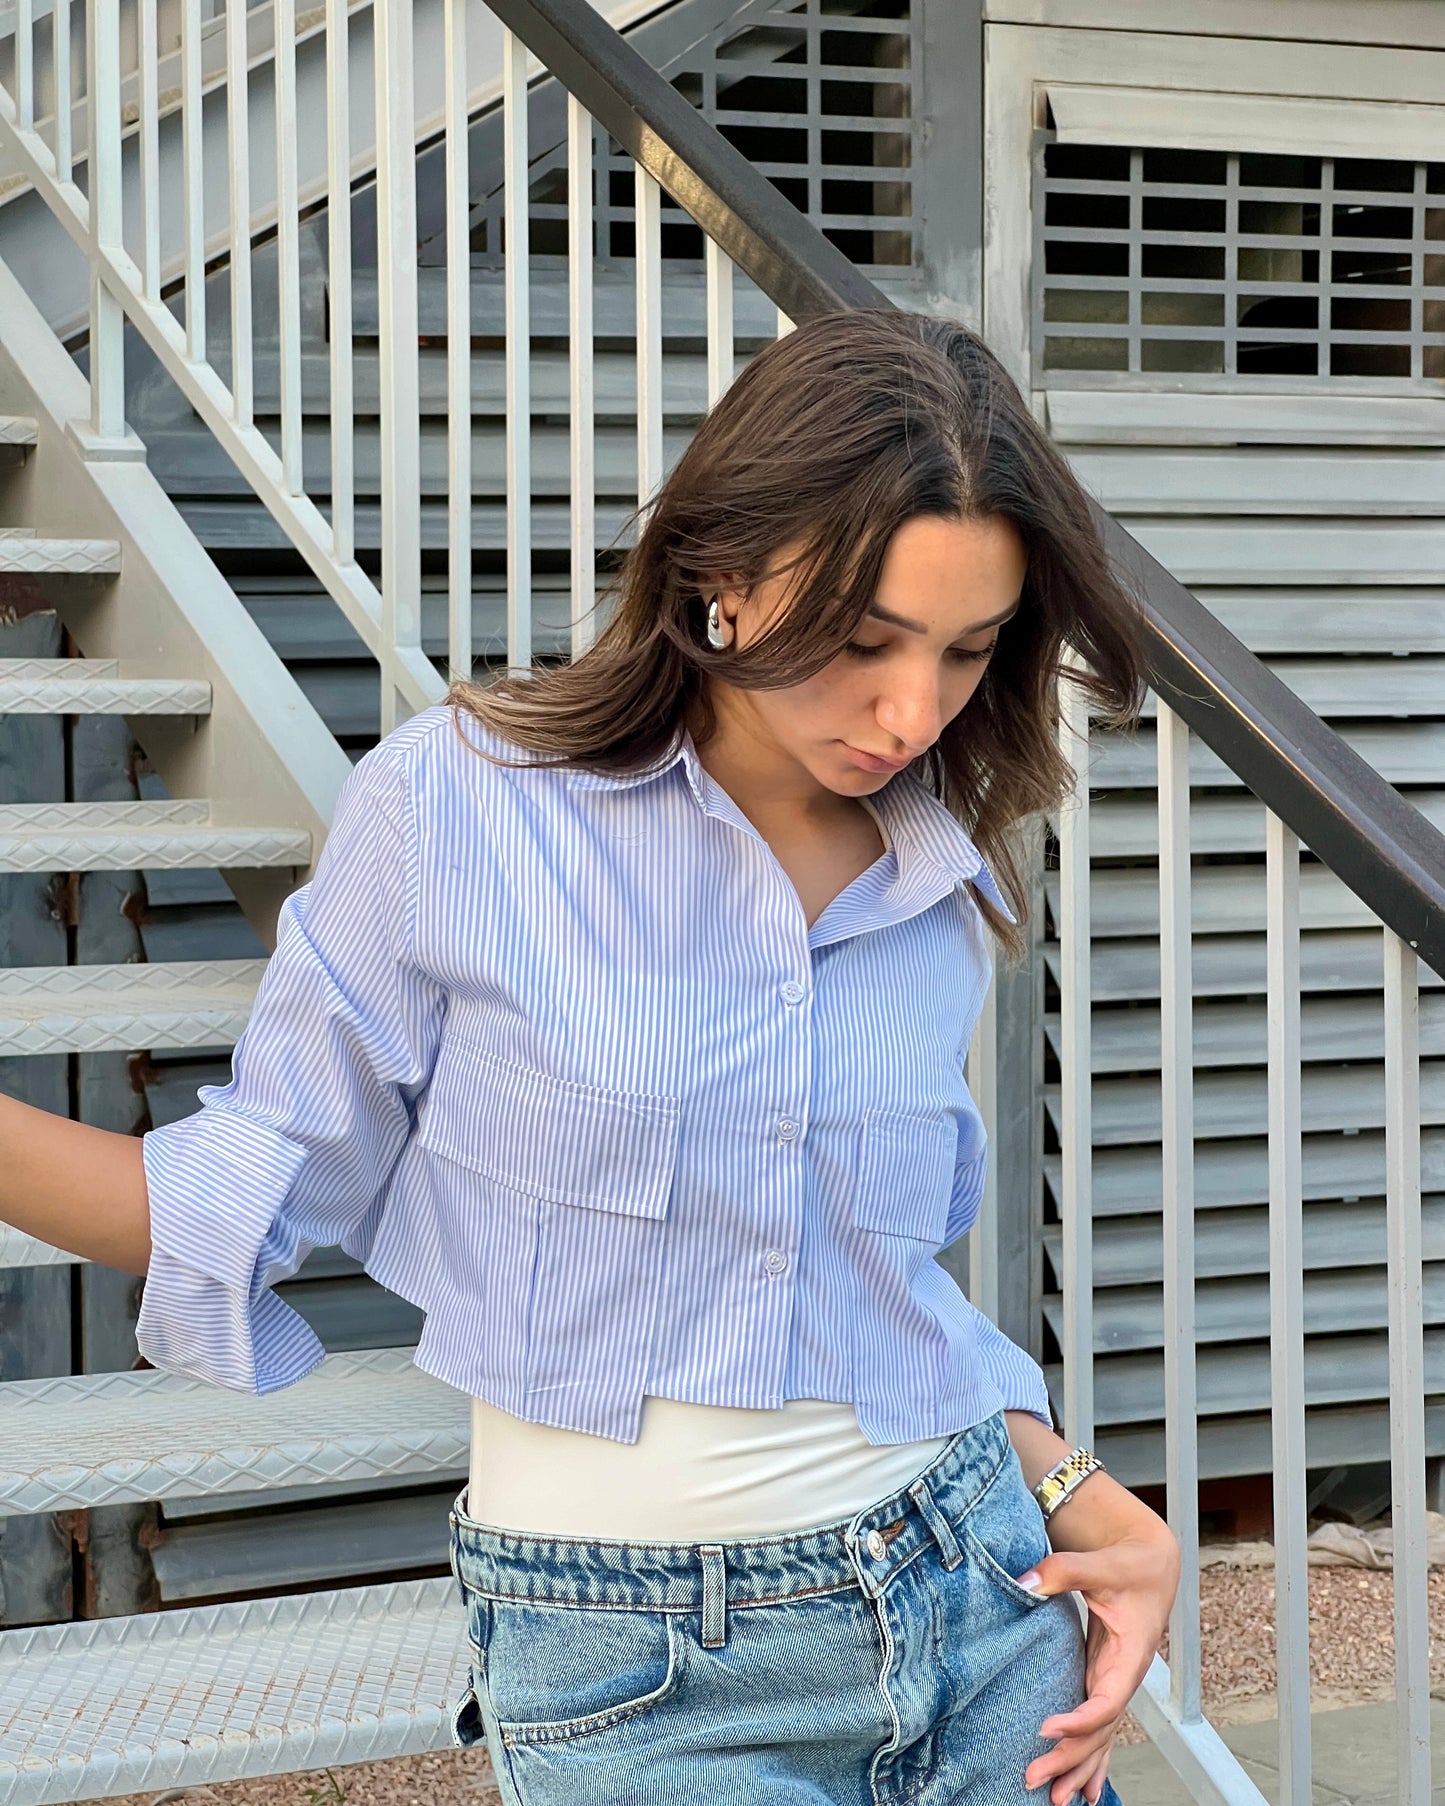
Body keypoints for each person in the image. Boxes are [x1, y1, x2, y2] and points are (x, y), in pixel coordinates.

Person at [1, 309, 1179, 1806]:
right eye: (862, 639)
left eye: (964, 649)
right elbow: (234, 1195)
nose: (908, 710)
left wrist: (1077, 1488)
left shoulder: (936, 861)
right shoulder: (463, 808)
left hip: (974, 1600)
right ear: (721, 580)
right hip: (640, 1670)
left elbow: (874, 1290)